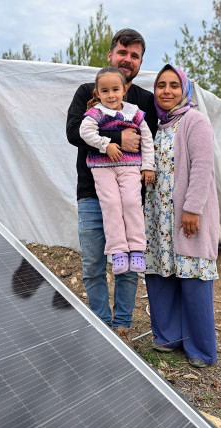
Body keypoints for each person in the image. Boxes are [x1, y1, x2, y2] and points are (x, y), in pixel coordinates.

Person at [66, 29, 157, 342]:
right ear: (110, 55)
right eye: (122, 52)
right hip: (92, 194)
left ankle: (122, 326)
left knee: (129, 266)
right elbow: (74, 133)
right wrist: (117, 138)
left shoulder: (145, 101)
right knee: (93, 264)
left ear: (140, 62)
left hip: (131, 192)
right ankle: (100, 326)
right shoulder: (87, 92)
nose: (127, 59)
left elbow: (148, 141)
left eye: (134, 56)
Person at [144, 64, 220, 368]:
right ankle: (168, 336)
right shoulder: (159, 125)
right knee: (161, 275)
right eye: (161, 85)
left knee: (193, 278)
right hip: (158, 217)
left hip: (185, 216)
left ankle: (201, 349)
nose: (166, 91)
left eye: (174, 85)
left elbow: (203, 167)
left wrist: (192, 209)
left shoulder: (194, 120)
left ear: (184, 90)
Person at [78, 66, 154, 275]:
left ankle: (137, 249)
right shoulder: (96, 113)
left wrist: (148, 166)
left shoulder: (134, 112)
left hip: (130, 166)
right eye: (105, 91)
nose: (110, 95)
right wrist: (106, 145)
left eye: (115, 90)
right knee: (111, 204)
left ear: (124, 90)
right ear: (97, 93)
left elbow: (147, 138)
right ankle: (118, 251)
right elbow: (84, 132)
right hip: (102, 168)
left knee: (132, 202)